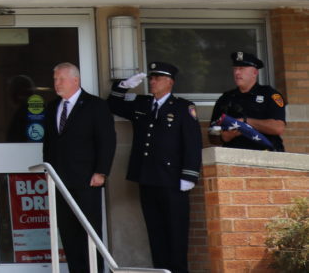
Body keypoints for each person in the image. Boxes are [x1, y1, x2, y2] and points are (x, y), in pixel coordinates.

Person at [106, 61, 201, 273]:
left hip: (172, 180)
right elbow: (113, 104)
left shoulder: (183, 107)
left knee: (176, 234)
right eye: (151, 78)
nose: (152, 81)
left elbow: (193, 143)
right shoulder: (143, 104)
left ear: (170, 82)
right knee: (155, 233)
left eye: (157, 78)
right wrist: (123, 86)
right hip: (147, 178)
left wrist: (190, 175)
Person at [41, 62, 114, 273]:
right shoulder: (52, 106)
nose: (56, 83)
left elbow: (107, 141)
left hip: (86, 180)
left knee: (89, 233)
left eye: (61, 79)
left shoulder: (95, 105)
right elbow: (49, 143)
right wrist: (49, 172)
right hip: (60, 182)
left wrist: (101, 171)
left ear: (75, 80)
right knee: (68, 233)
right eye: (55, 79)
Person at [209, 51, 287, 152]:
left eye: (242, 68)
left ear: (255, 73)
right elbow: (211, 135)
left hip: (266, 156)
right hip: (233, 158)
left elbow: (278, 128)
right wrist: (223, 137)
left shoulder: (270, 95)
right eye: (235, 69)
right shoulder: (225, 98)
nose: (237, 72)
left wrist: (245, 122)